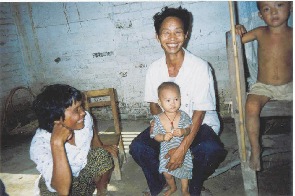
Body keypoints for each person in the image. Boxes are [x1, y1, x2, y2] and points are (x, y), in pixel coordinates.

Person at [129, 6, 227, 196]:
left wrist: (182, 148)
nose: (172, 38)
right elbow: (153, 103)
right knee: (138, 147)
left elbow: (200, 111)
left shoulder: (200, 67)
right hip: (168, 125)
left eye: (178, 32)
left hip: (198, 123)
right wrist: (162, 123)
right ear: (157, 37)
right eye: (166, 33)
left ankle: (194, 185)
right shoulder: (154, 69)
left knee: (210, 150)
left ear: (186, 35)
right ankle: (162, 184)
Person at [30, 84, 118, 196]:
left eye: (81, 106)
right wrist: (57, 144)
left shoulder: (84, 120)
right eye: (76, 110)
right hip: (60, 187)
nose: (83, 112)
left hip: (81, 175)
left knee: (102, 155)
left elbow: (92, 131)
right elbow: (63, 190)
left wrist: (100, 146)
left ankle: (101, 193)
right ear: (56, 119)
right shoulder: (40, 144)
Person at [235, 1, 293, 171]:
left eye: (280, 5)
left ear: (291, 7)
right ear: (261, 15)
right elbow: (237, 40)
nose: (273, 12)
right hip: (263, 86)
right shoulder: (260, 32)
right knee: (251, 106)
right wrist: (237, 30)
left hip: (290, 85)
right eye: (267, 9)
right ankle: (256, 148)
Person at [151, 82, 193, 196]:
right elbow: (155, 136)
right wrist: (163, 137)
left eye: (176, 99)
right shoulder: (158, 119)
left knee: (185, 171)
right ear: (160, 102)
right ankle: (173, 187)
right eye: (168, 100)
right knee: (167, 173)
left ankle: (184, 190)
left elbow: (190, 128)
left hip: (182, 147)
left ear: (180, 99)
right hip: (166, 150)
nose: (173, 103)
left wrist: (184, 131)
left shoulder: (183, 115)